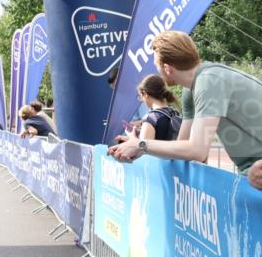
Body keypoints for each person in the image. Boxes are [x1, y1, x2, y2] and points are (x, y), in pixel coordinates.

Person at [109, 32, 262, 187]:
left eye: (157, 66)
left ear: (167, 69)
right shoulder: (192, 88)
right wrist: (138, 145)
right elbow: (182, 145)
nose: (158, 72)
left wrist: (141, 145)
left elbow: (197, 150)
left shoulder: (208, 81)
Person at [131, 74, 181, 141]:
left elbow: (144, 149)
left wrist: (133, 139)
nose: (142, 100)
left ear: (145, 94)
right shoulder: (174, 112)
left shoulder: (151, 119)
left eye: (140, 96)